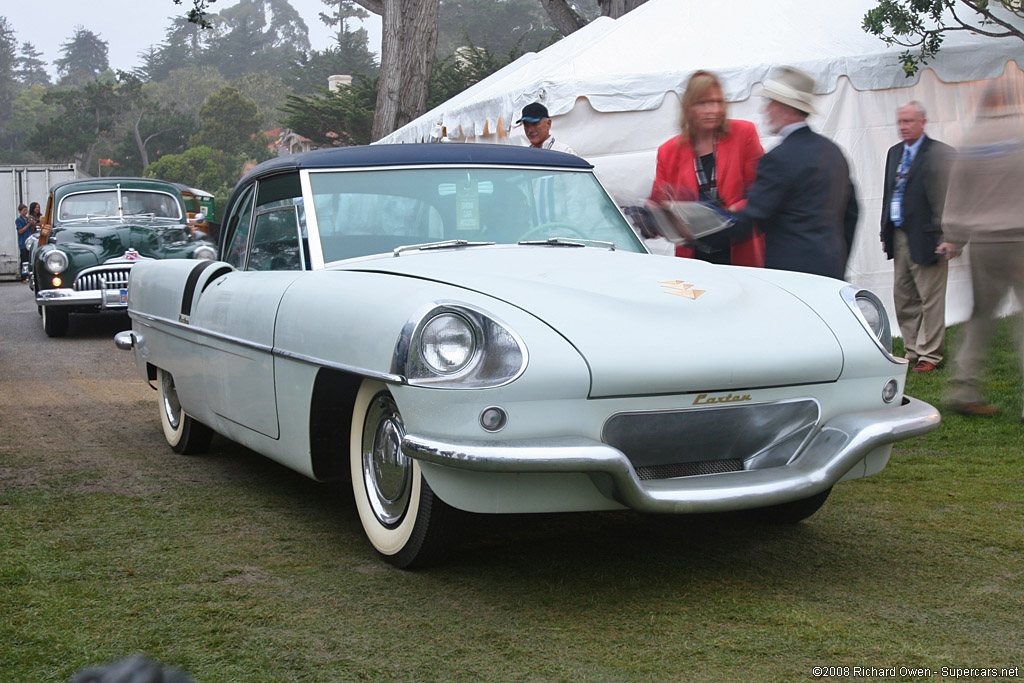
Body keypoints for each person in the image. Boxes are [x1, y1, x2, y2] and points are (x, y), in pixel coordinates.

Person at [937, 82, 1024, 417]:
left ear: (984, 105)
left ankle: (964, 387)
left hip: (986, 244)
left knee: (981, 317)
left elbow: (957, 196)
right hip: (1020, 238)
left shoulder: (970, 141)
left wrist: (955, 238)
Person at [733, 66, 859, 280]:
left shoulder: (778, 158)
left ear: (786, 108)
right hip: (831, 269)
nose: (766, 111)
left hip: (793, 274)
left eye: (770, 103)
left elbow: (752, 218)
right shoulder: (833, 151)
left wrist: (700, 231)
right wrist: (838, 260)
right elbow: (852, 213)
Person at [649, 69, 765, 266]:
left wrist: (732, 210)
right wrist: (651, 215)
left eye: (718, 102)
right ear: (688, 108)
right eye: (703, 103)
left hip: (739, 250)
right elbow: (659, 204)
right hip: (695, 256)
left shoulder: (744, 134)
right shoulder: (668, 151)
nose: (713, 110)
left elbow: (762, 189)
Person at [881, 102, 953, 373]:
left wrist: (952, 236)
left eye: (909, 121)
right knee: (904, 295)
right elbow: (889, 194)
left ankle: (930, 355)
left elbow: (954, 198)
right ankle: (912, 349)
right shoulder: (894, 153)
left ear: (923, 121)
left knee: (930, 298)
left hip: (929, 237)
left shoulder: (942, 154)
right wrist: (884, 230)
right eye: (900, 121)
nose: (903, 126)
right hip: (899, 234)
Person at [15, 204, 34, 282]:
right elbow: (21, 231)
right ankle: (23, 276)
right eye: (24, 210)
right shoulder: (19, 220)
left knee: (29, 259)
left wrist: (32, 223)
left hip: (29, 242)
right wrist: (28, 224)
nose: (25, 212)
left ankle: (29, 275)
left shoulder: (27, 219)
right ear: (20, 211)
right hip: (23, 242)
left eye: (26, 210)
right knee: (24, 259)